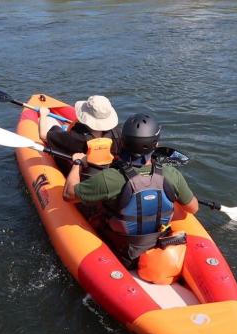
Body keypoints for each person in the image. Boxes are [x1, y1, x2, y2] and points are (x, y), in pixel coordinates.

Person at [63, 113, 199, 265]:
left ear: (123, 141)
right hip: (159, 242)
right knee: (175, 206)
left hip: (122, 249)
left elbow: (69, 194)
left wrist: (77, 163)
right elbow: (193, 208)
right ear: (156, 145)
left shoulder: (111, 178)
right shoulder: (172, 174)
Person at [38, 95, 120, 174]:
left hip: (80, 174)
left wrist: (43, 114)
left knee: (55, 128)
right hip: (107, 172)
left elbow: (43, 135)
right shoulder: (116, 133)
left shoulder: (76, 137)